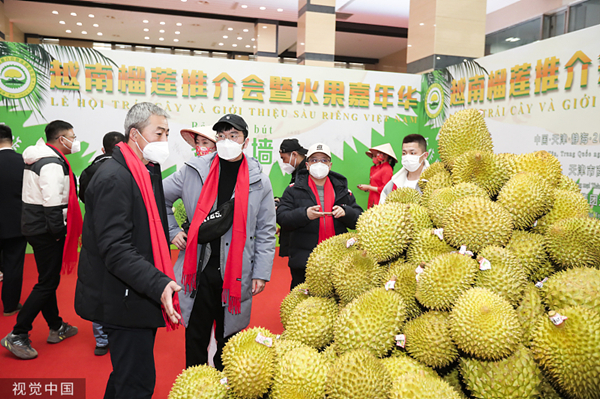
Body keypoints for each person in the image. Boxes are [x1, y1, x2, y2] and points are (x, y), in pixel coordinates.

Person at [74, 103, 182, 399]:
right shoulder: (114, 177)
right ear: (135, 134)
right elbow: (116, 249)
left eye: (166, 134)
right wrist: (158, 283)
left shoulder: (145, 170)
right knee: (137, 382)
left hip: (135, 291)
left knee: (127, 376)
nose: (163, 141)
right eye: (158, 133)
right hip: (121, 297)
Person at [163, 113, 276, 370]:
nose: (227, 141)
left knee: (230, 344)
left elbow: (267, 230)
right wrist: (172, 231)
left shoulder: (260, 180)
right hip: (198, 271)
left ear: (245, 142)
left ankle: (225, 387)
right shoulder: (194, 171)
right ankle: (195, 386)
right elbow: (159, 197)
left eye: (233, 135)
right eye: (222, 136)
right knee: (195, 338)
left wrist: (261, 272)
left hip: (236, 274)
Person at [1, 120, 82, 360]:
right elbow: (52, 202)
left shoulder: (39, 158)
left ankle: (56, 326)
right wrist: (59, 234)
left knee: (48, 279)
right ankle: (18, 333)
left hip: (35, 227)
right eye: (72, 136)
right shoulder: (51, 163)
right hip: (46, 230)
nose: (74, 141)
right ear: (60, 139)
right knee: (47, 282)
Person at [276, 143, 363, 289]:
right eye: (314, 160)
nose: (319, 164)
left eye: (324, 160)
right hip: (304, 260)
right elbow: (282, 217)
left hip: (338, 260)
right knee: (302, 304)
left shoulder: (342, 191)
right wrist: (305, 214)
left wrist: (346, 212)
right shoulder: (293, 190)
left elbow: (359, 219)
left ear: (330, 165)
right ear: (307, 165)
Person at [78, 131, 125, 357]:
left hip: (95, 235)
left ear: (103, 149)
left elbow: (82, 197)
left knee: (96, 284)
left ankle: (101, 339)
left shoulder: (89, 171)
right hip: (120, 237)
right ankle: (118, 331)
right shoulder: (126, 170)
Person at [0, 125, 26, 317]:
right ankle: (10, 305)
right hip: (16, 223)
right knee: (13, 264)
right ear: (11, 138)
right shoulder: (23, 162)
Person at [276, 138, 308, 259]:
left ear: (294, 154)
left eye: (283, 158)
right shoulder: (297, 172)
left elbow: (300, 202)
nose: (283, 162)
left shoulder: (305, 173)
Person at [379, 134, 430, 203]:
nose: (407, 156)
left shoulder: (433, 182)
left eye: (412, 153)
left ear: (424, 155)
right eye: (404, 153)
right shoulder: (392, 184)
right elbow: (382, 209)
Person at [357, 143, 398, 208]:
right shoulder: (377, 168)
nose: (376, 156)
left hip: (379, 200)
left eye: (379, 153)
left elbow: (385, 189)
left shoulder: (387, 169)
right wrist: (367, 187)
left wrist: (368, 187)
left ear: (386, 155)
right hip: (372, 198)